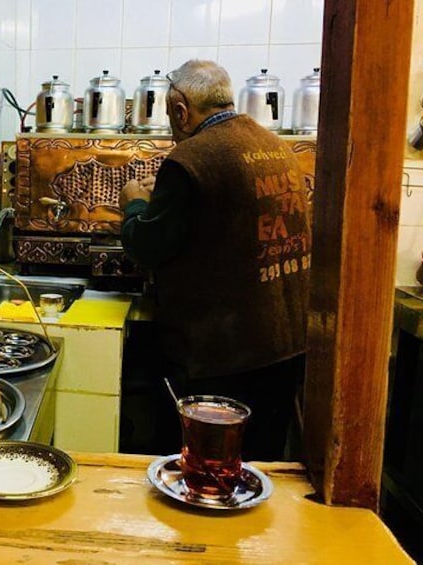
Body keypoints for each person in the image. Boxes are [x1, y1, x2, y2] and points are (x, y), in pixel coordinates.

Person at [120, 60, 311, 461]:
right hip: (285, 347)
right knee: (258, 470)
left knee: (196, 471)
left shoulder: (191, 158)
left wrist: (135, 204)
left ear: (179, 110)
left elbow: (148, 246)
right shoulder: (277, 147)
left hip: (220, 358)